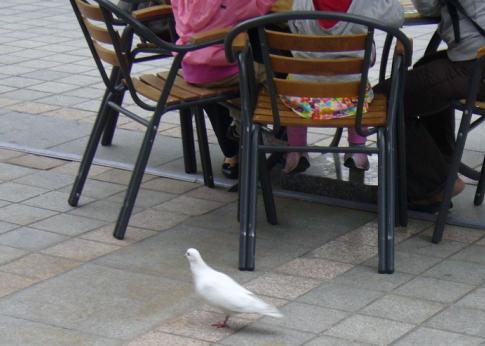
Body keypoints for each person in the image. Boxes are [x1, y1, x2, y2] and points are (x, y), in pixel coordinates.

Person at [375, 0, 485, 211]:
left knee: (384, 100)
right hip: (475, 61)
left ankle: (435, 187)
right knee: (426, 69)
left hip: (475, 67)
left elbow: (426, 5)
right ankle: (443, 167)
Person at [281, 0, 404, 175]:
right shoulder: (366, 4)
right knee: (360, 88)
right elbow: (397, 16)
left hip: (304, 99)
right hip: (349, 100)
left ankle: (296, 151)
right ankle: (357, 150)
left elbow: (294, 27)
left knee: (293, 85)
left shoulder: (301, 2)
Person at [170, 0, 276, 179]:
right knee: (271, 75)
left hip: (189, 68)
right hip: (223, 69)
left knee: (250, 72)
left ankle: (243, 128)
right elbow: (259, 7)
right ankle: (256, 131)